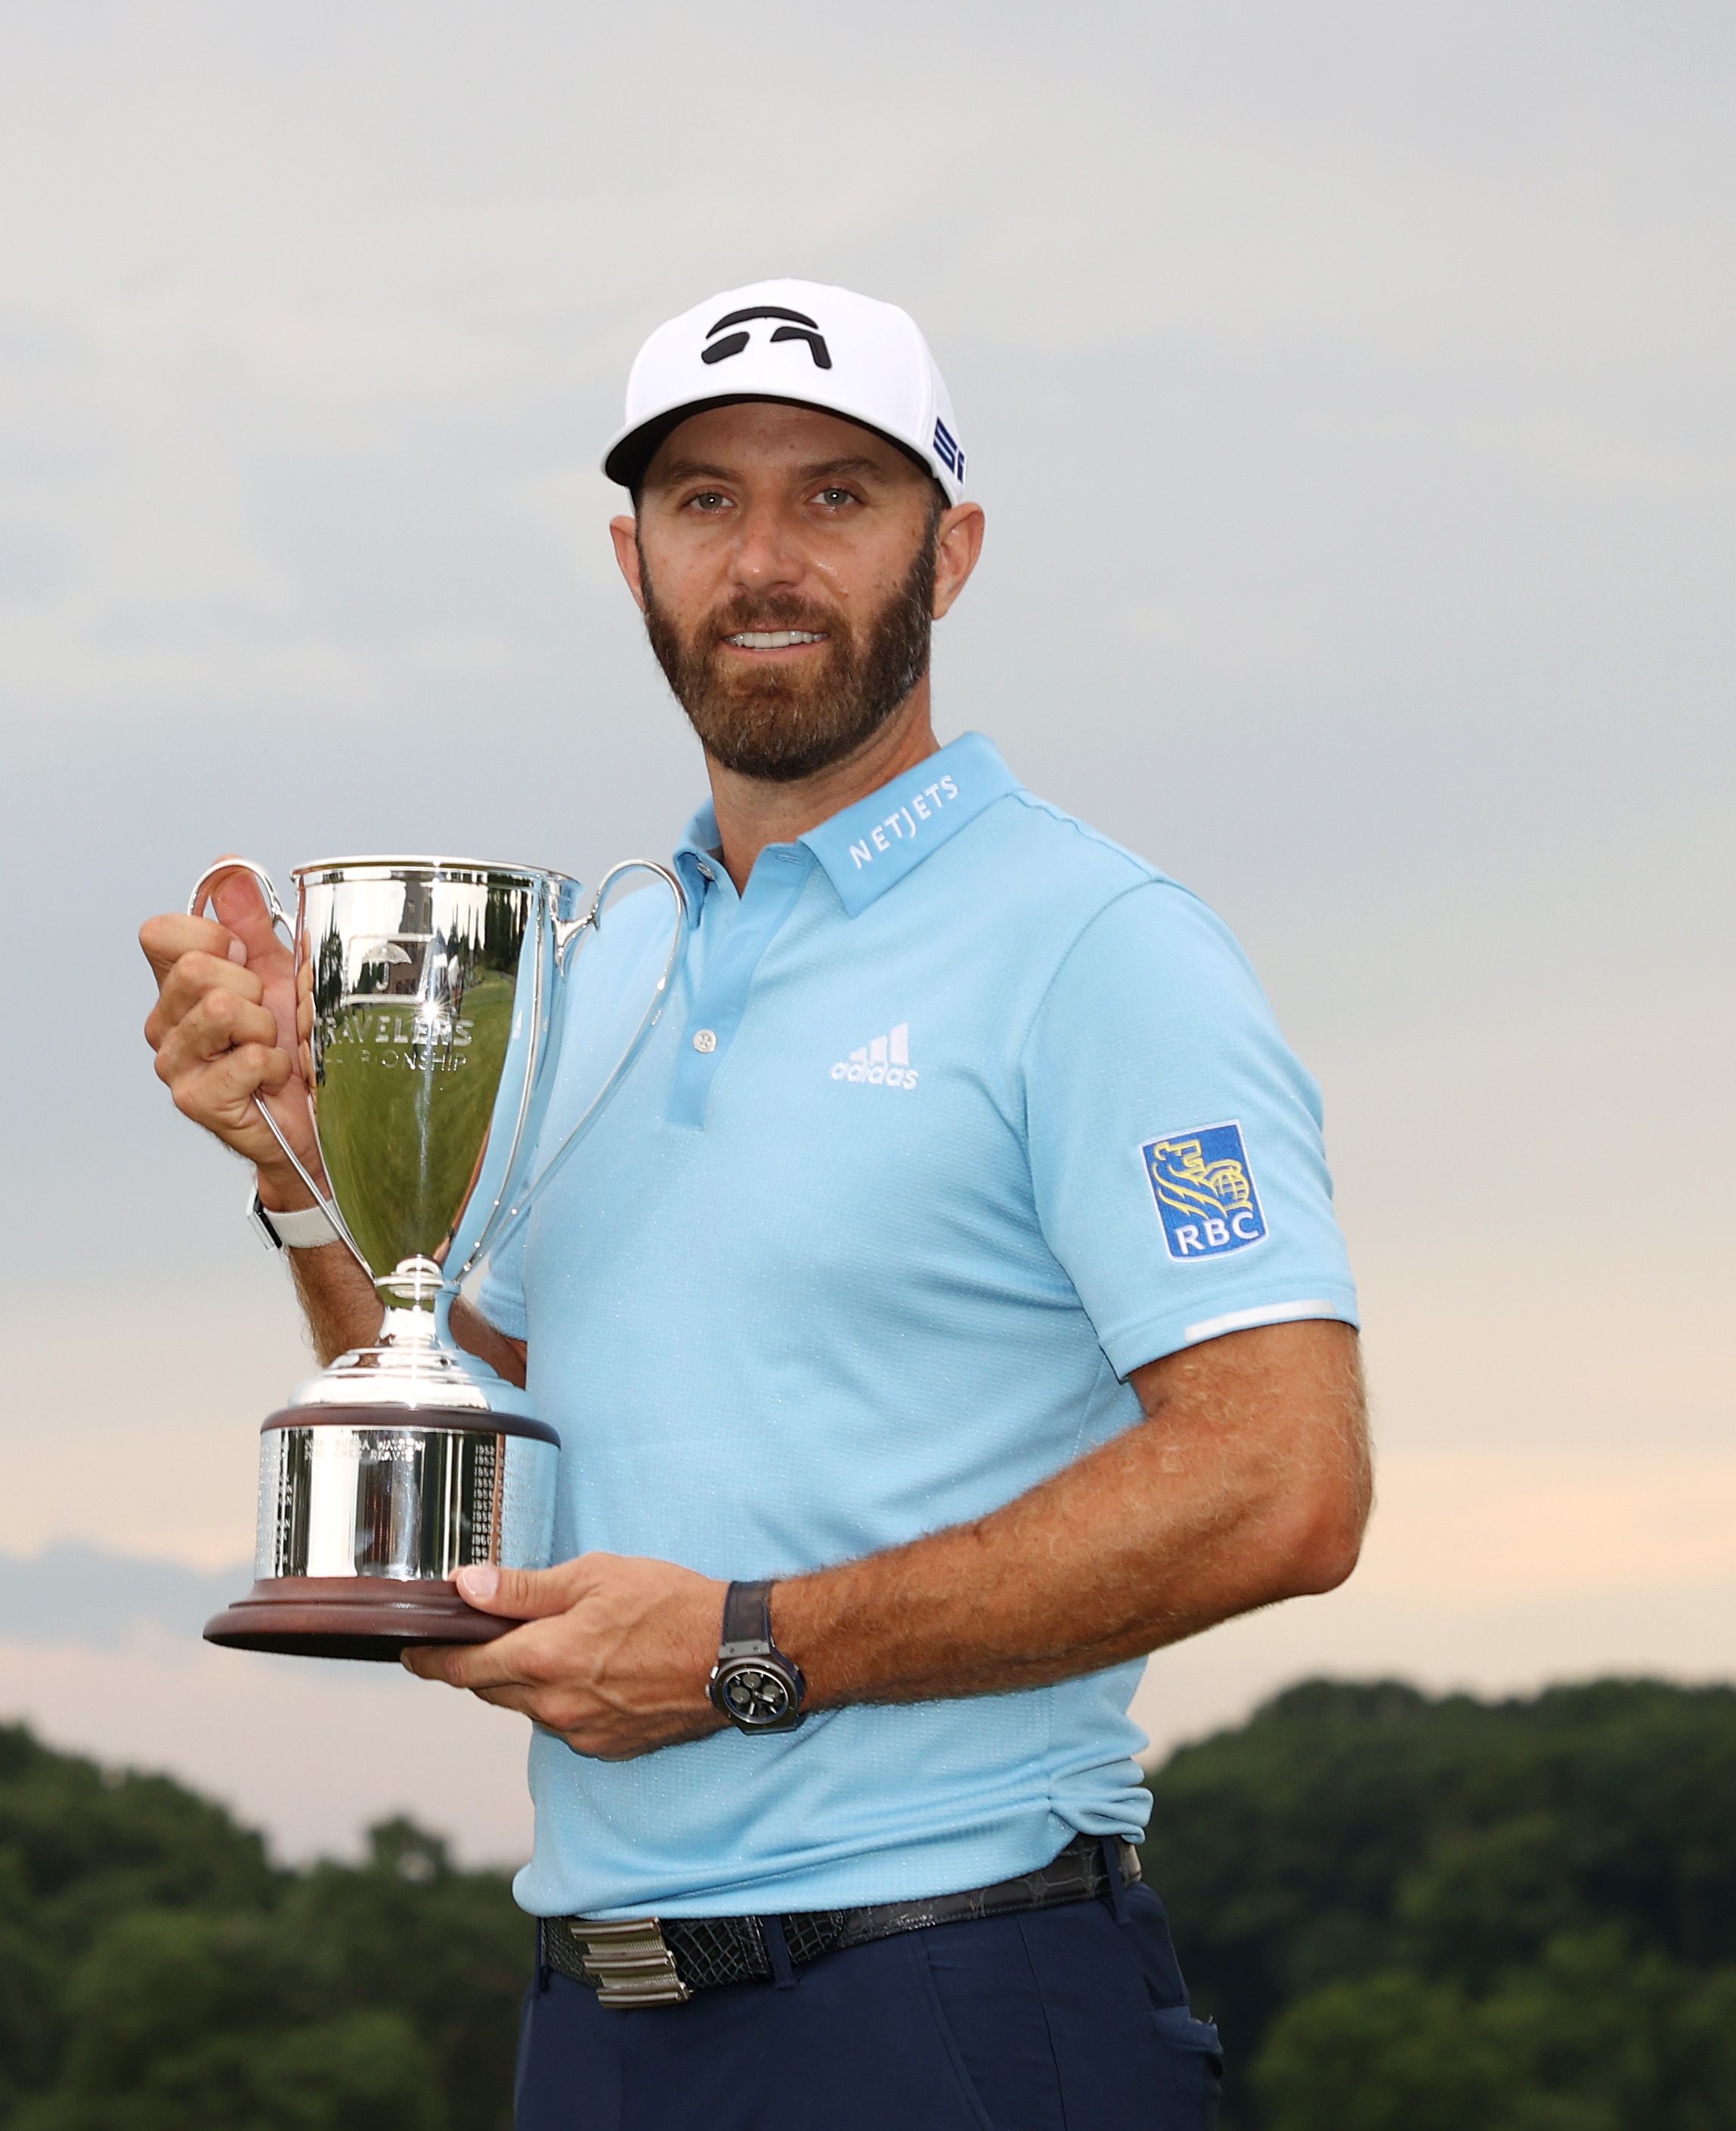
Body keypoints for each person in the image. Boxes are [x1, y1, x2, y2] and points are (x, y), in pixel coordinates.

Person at [138, 277, 1370, 2126]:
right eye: (704, 502)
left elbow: (1282, 1481)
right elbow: (487, 1444)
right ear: (629, 558)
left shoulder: (1098, 950)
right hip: (596, 2020)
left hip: (948, 1998)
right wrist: (312, 1183)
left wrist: (744, 1652)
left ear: (946, 553)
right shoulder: (590, 962)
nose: (764, 558)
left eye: (834, 498)